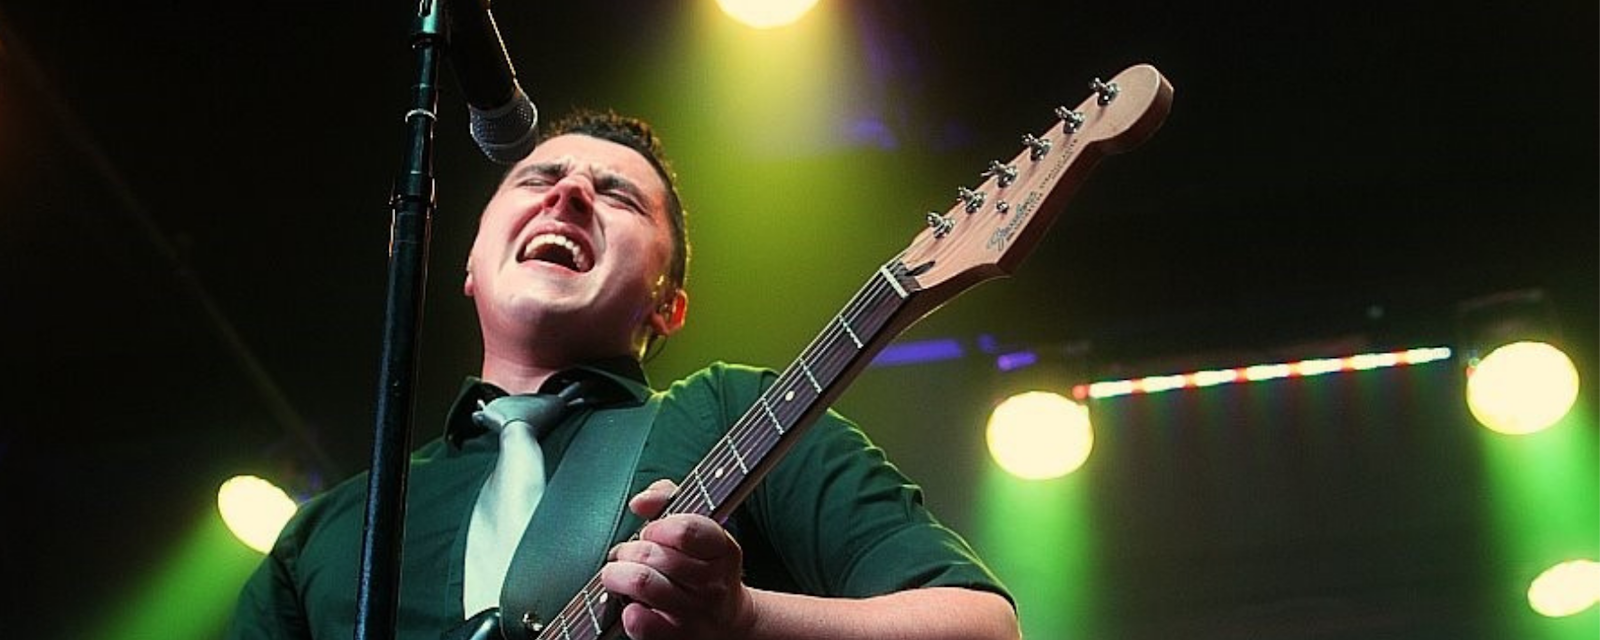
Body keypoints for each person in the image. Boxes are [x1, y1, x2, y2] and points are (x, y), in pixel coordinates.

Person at [226, 110, 1019, 640]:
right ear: (469, 263)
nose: (569, 194)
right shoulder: (329, 531)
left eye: (618, 197)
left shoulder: (736, 412)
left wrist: (747, 620)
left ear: (669, 304)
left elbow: (981, 627)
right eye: (536, 179)